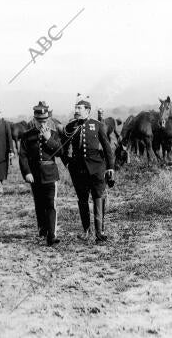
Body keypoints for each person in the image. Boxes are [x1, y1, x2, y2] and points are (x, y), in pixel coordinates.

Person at [62, 98, 114, 243]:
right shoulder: (70, 127)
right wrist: (68, 163)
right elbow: (63, 148)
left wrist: (110, 167)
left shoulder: (97, 125)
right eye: (75, 107)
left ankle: (100, 232)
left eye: (79, 108)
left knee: (98, 198)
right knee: (83, 200)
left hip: (97, 169)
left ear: (87, 111)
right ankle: (86, 231)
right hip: (78, 170)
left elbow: (107, 148)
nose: (76, 110)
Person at [19, 101, 62, 246]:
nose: (42, 123)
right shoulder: (27, 135)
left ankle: (52, 235)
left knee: (51, 204)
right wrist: (27, 173)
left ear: (48, 119)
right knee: (39, 204)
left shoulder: (54, 134)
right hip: (35, 175)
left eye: (44, 120)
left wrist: (48, 139)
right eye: (39, 121)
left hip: (50, 174)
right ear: (34, 119)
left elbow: (60, 152)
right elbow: (23, 156)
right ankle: (42, 229)